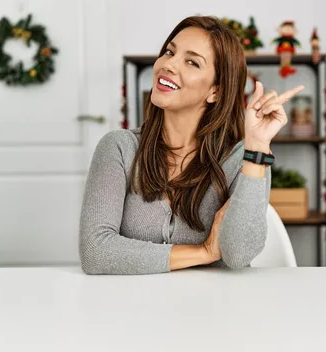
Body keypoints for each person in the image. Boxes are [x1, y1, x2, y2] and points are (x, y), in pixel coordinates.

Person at [78, 16, 304, 275]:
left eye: (191, 62)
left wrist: (257, 146)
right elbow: (95, 251)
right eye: (169, 52)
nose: (169, 64)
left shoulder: (243, 158)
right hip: (135, 307)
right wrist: (204, 252)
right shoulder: (119, 148)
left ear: (215, 92)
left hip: (215, 309)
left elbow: (238, 254)